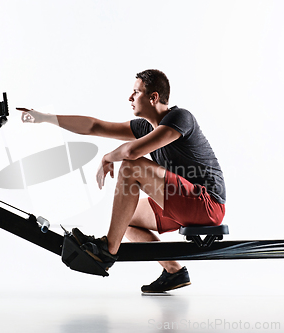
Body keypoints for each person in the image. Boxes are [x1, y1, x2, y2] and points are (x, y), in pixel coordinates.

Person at [17, 69, 226, 293]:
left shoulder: (180, 117)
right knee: (126, 219)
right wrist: (45, 118)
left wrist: (107, 158)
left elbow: (133, 151)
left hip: (206, 203)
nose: (130, 98)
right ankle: (174, 271)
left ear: (153, 97)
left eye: (136, 92)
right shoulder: (145, 127)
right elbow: (94, 126)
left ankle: (107, 250)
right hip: (183, 201)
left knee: (131, 165)